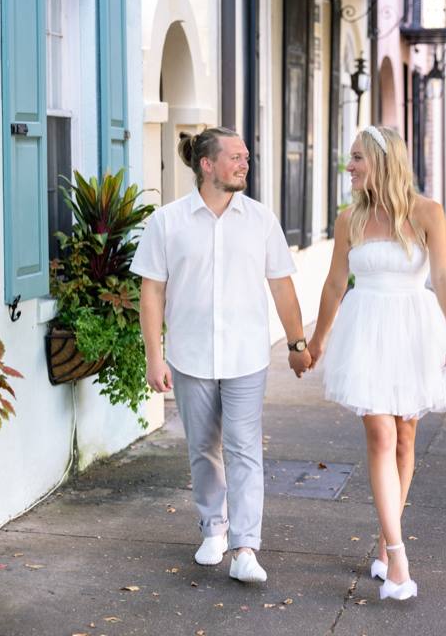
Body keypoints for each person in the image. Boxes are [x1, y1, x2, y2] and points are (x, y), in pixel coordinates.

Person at [133, 127, 313, 584]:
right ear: (206, 165)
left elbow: (281, 285)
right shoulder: (168, 222)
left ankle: (245, 547)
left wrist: (296, 344)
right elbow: (151, 292)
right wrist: (155, 357)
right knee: (202, 448)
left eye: (246, 157)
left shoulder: (260, 220)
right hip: (190, 354)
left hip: (246, 355)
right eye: (235, 157)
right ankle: (213, 527)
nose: (244, 163)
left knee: (244, 448)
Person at [305, 125, 446, 601]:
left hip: (414, 329)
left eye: (357, 157)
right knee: (380, 433)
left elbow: (442, 275)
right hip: (366, 330)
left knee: (405, 437)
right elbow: (335, 284)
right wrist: (316, 342)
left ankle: (384, 533)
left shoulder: (426, 213)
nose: (349, 167)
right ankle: (397, 558)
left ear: (382, 161)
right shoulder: (348, 220)